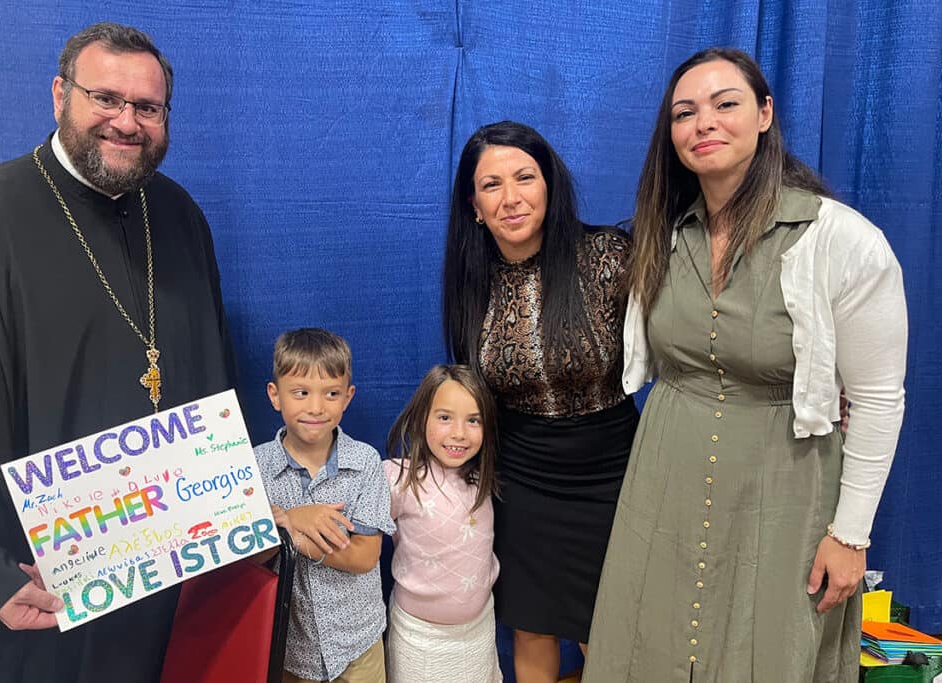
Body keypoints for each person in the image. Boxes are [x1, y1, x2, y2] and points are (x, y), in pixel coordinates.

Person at [0, 21, 239, 683]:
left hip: (158, 575)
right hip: (37, 591)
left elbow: (212, 376)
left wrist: (222, 509)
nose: (126, 122)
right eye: (105, 98)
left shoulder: (178, 216)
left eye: (147, 108)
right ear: (60, 95)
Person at [582, 48, 907, 682]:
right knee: (652, 642)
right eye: (685, 112)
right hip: (665, 477)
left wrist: (850, 534)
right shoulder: (663, 234)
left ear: (764, 115)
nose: (703, 123)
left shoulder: (841, 241)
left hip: (785, 483)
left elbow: (877, 398)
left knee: (768, 651)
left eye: (724, 104)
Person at [442, 120, 638, 681]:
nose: (511, 198)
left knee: (610, 627)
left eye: (524, 177)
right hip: (523, 476)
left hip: (614, 471)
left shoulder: (607, 255)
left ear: (549, 184)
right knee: (532, 626)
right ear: (474, 205)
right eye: (491, 185)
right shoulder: (471, 279)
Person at [253, 328, 395, 683]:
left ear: (347, 397)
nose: (316, 407)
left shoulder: (364, 462)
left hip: (357, 646)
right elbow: (250, 556)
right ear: (275, 395)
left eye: (330, 394)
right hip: (289, 650)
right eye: (300, 393)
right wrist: (296, 519)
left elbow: (364, 556)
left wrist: (291, 532)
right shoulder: (254, 468)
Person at [382, 364, 503, 683]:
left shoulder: (485, 480)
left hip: (477, 632)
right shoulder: (398, 478)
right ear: (423, 418)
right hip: (419, 638)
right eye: (445, 417)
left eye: (473, 420)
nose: (459, 433)